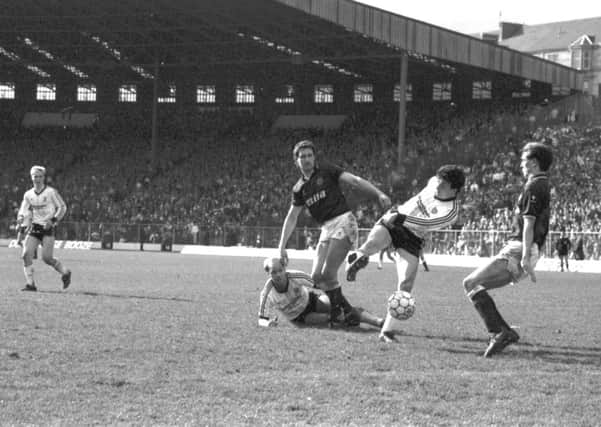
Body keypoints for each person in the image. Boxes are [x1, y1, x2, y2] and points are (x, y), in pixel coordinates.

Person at [345, 164, 466, 342]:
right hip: (395, 220)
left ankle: (386, 331)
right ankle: (357, 256)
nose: (439, 183)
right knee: (372, 244)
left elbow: (426, 224)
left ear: (454, 189)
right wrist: (400, 216)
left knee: (406, 285)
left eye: (444, 182)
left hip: (412, 237)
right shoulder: (433, 182)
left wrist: (403, 218)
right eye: (439, 178)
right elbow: (428, 188)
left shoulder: (450, 212)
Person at [278, 140, 391, 326]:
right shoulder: (299, 189)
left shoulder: (326, 170)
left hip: (344, 221)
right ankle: (350, 313)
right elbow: (291, 217)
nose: (306, 159)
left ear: (314, 157)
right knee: (316, 277)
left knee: (328, 275)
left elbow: (354, 180)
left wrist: (378, 194)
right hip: (326, 228)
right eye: (302, 156)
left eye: (309, 155)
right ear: (296, 161)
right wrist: (281, 247)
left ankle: (341, 314)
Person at [462, 142, 552, 357]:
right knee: (476, 286)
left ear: (533, 163)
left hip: (519, 249)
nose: (521, 165)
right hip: (525, 249)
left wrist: (524, 256)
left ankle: (500, 332)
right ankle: (503, 332)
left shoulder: (534, 186)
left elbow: (529, 224)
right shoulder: (541, 184)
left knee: (470, 283)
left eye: (523, 161)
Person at [258, 258, 383, 328]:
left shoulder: (295, 276)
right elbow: (261, 319)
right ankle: (348, 321)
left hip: (311, 300)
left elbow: (320, 285)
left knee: (341, 308)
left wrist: (337, 302)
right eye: (274, 272)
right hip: (299, 316)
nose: (278, 274)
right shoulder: (267, 293)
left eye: (280, 270)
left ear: (284, 269)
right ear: (268, 274)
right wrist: (268, 323)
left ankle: (377, 321)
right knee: (330, 318)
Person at [16, 165, 72, 291]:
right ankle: (31, 284)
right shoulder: (28, 194)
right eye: (35, 176)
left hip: (47, 228)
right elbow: (23, 210)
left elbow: (63, 207)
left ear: (44, 177)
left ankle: (66, 272)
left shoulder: (51, 192)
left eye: (40, 176)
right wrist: (20, 218)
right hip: (35, 227)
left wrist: (53, 220)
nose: (38, 179)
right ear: (31, 177)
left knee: (47, 258)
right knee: (25, 254)